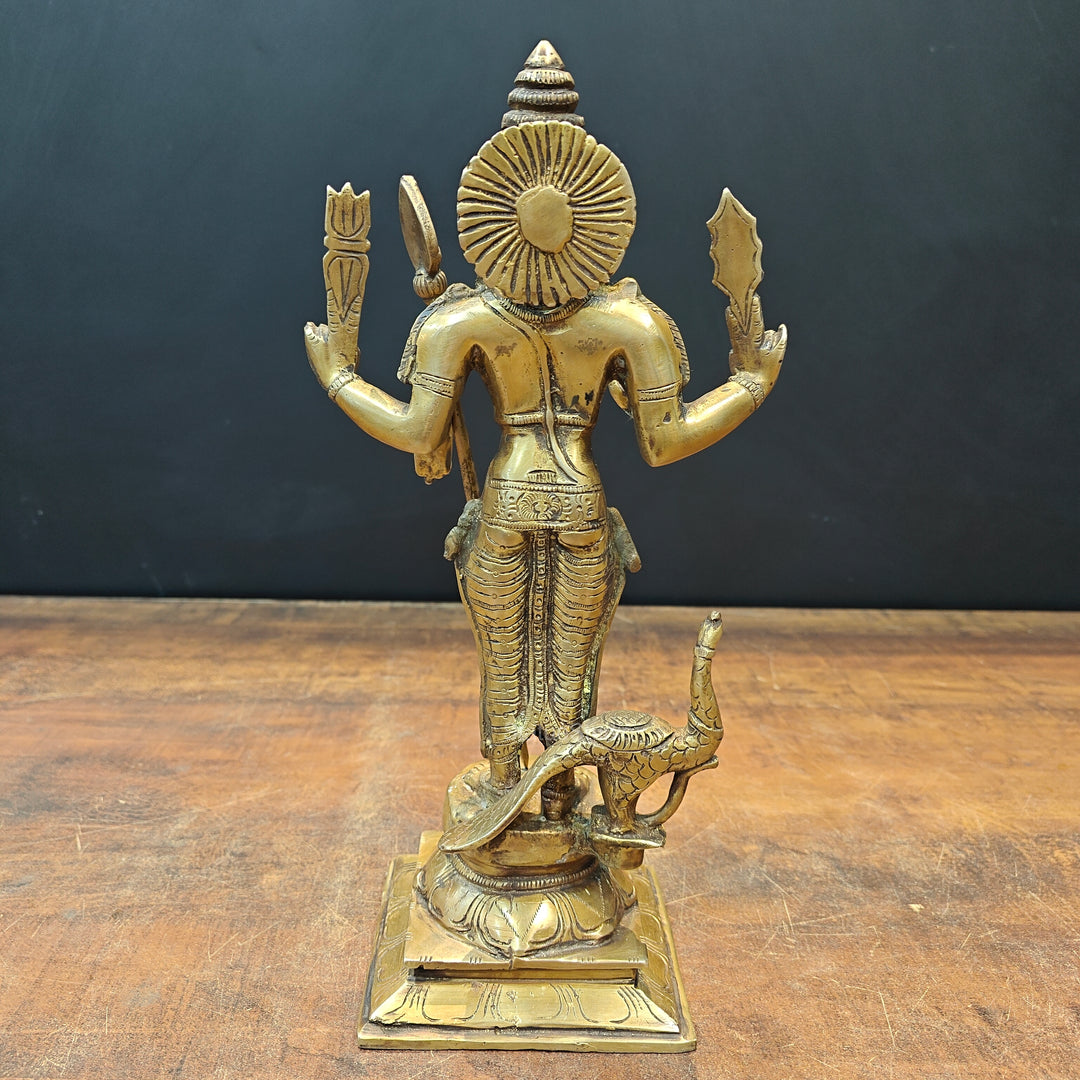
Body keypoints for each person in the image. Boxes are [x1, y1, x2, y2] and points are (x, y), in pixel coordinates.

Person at [303, 43, 785, 809]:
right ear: (595, 211)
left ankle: (506, 785)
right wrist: (750, 383)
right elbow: (667, 440)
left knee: (504, 662)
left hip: (506, 499)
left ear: (495, 207)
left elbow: (418, 433)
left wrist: (339, 376)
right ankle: (559, 796)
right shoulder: (628, 322)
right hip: (581, 503)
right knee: (571, 672)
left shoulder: (459, 320)